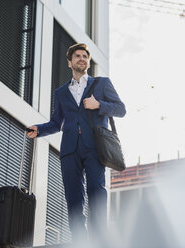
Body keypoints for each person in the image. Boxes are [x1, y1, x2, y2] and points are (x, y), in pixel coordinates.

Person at [27, 43, 125, 243]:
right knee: (74, 199)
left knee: (96, 192)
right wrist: (40, 130)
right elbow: (57, 122)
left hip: (95, 147)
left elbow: (121, 109)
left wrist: (99, 105)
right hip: (70, 150)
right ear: (70, 62)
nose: (82, 59)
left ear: (88, 62)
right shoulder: (61, 92)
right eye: (78, 56)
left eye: (85, 56)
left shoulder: (102, 84)